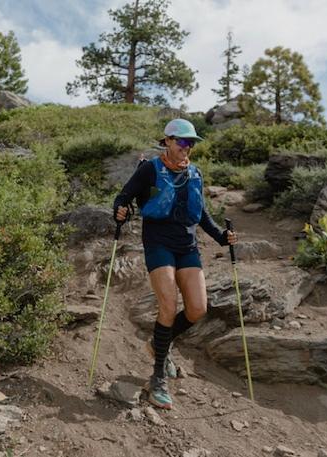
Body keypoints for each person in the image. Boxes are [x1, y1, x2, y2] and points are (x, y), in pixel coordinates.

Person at [113, 118, 237, 410]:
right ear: (167, 141)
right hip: (158, 244)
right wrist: (119, 211)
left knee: (197, 309)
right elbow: (124, 197)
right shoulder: (149, 169)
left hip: (187, 246)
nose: (187, 147)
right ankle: (157, 378)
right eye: (182, 141)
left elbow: (202, 214)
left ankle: (159, 344)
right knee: (168, 306)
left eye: (191, 142)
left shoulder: (195, 173)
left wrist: (222, 237)